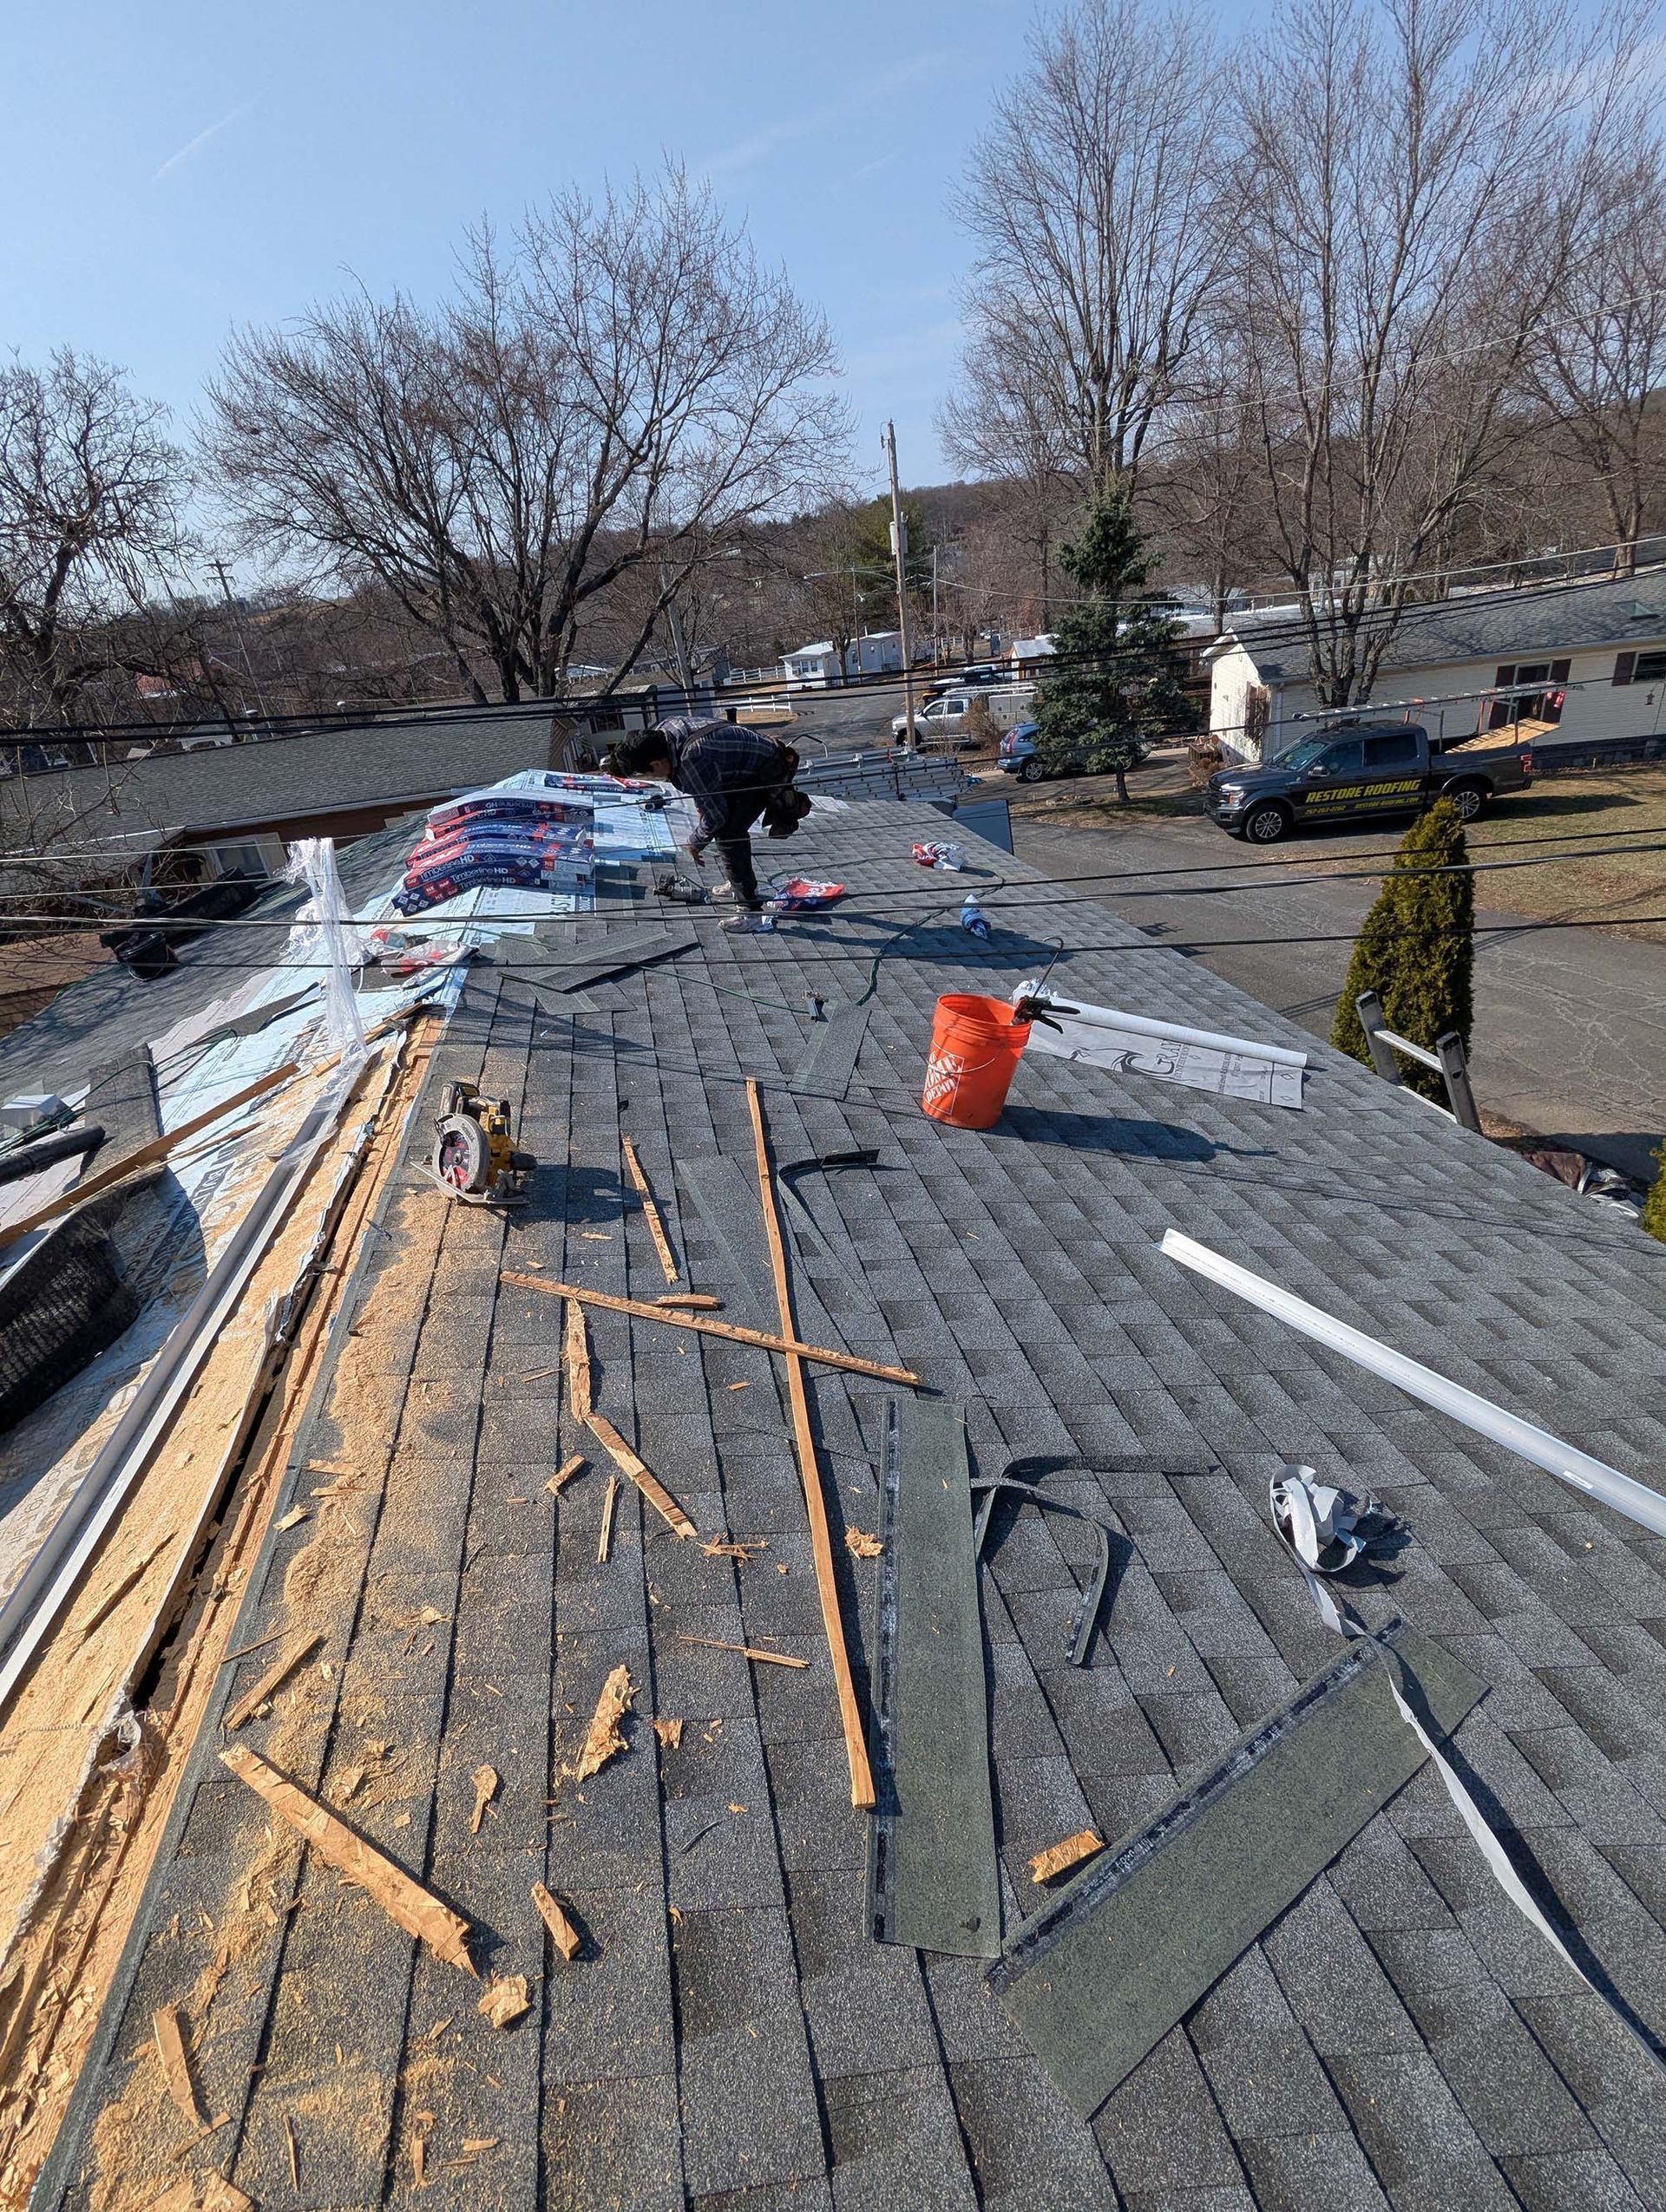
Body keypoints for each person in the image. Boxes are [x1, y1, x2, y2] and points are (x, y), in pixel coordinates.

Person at [606, 713, 810, 920]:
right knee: (723, 826)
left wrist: (694, 842)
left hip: (765, 769)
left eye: (648, 775)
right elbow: (702, 784)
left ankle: (750, 912)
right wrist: (701, 808)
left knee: (729, 831)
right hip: (739, 764)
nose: (655, 779)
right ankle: (738, 880)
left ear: (656, 764)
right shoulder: (666, 731)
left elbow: (716, 816)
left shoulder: (691, 757)